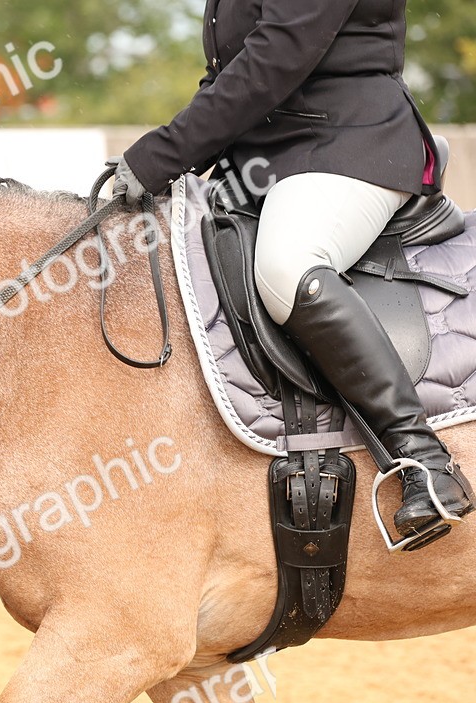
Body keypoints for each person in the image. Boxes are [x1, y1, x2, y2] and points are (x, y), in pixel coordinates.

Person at [111, 0, 473, 543]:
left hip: (349, 147)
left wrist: (163, 153)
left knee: (288, 264)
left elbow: (276, 55)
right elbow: (229, 73)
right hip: (265, 161)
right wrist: (166, 162)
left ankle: (423, 460)